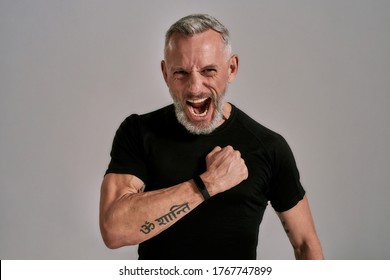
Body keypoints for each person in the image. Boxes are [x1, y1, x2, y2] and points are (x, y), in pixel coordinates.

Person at [99, 14, 324, 260]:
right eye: (181, 73)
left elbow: (305, 244)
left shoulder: (268, 147)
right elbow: (114, 230)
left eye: (208, 71)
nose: (195, 87)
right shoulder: (139, 132)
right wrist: (207, 185)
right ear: (165, 73)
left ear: (231, 69)